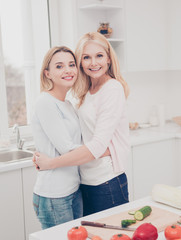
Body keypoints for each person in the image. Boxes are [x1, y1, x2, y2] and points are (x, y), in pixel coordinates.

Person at [34, 32, 130, 216]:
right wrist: (43, 151)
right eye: (86, 57)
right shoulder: (86, 91)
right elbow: (81, 137)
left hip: (106, 181)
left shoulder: (112, 89)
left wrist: (51, 162)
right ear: (81, 63)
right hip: (85, 180)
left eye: (99, 56)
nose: (93, 63)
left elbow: (98, 145)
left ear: (109, 59)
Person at [31, 46, 83, 229]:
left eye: (71, 64)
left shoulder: (68, 104)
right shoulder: (45, 102)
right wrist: (102, 150)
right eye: (59, 66)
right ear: (47, 73)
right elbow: (67, 148)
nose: (68, 70)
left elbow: (78, 143)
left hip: (73, 188)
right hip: (54, 194)